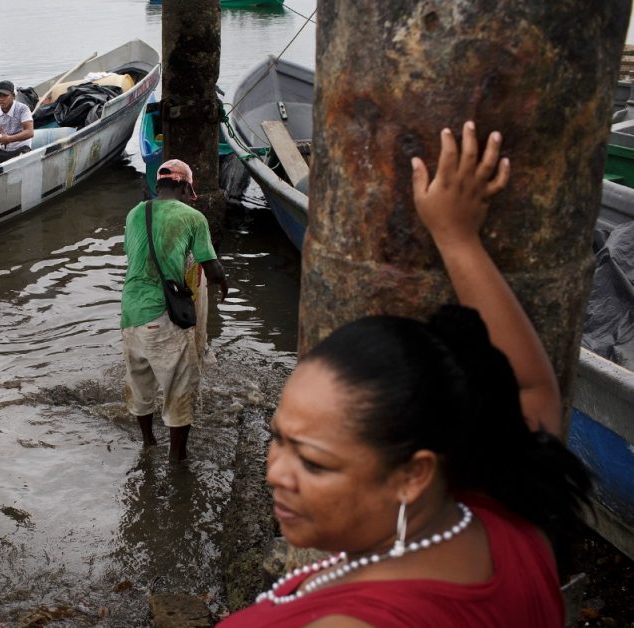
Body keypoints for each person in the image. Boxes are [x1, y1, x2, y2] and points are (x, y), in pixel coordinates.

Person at [219, 122, 591, 627]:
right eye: (279, 440)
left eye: (313, 462)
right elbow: (531, 388)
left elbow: (527, 389)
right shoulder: (514, 519)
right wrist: (457, 237)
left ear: (414, 475)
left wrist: (454, 237)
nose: (274, 473)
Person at [121, 159, 229, 462]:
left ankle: (148, 443)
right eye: (187, 192)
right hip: (163, 315)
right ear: (184, 187)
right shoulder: (193, 216)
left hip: (130, 313)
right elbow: (211, 265)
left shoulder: (134, 214)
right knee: (180, 389)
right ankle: (177, 459)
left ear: (159, 187)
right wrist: (222, 282)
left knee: (140, 386)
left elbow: (134, 255)